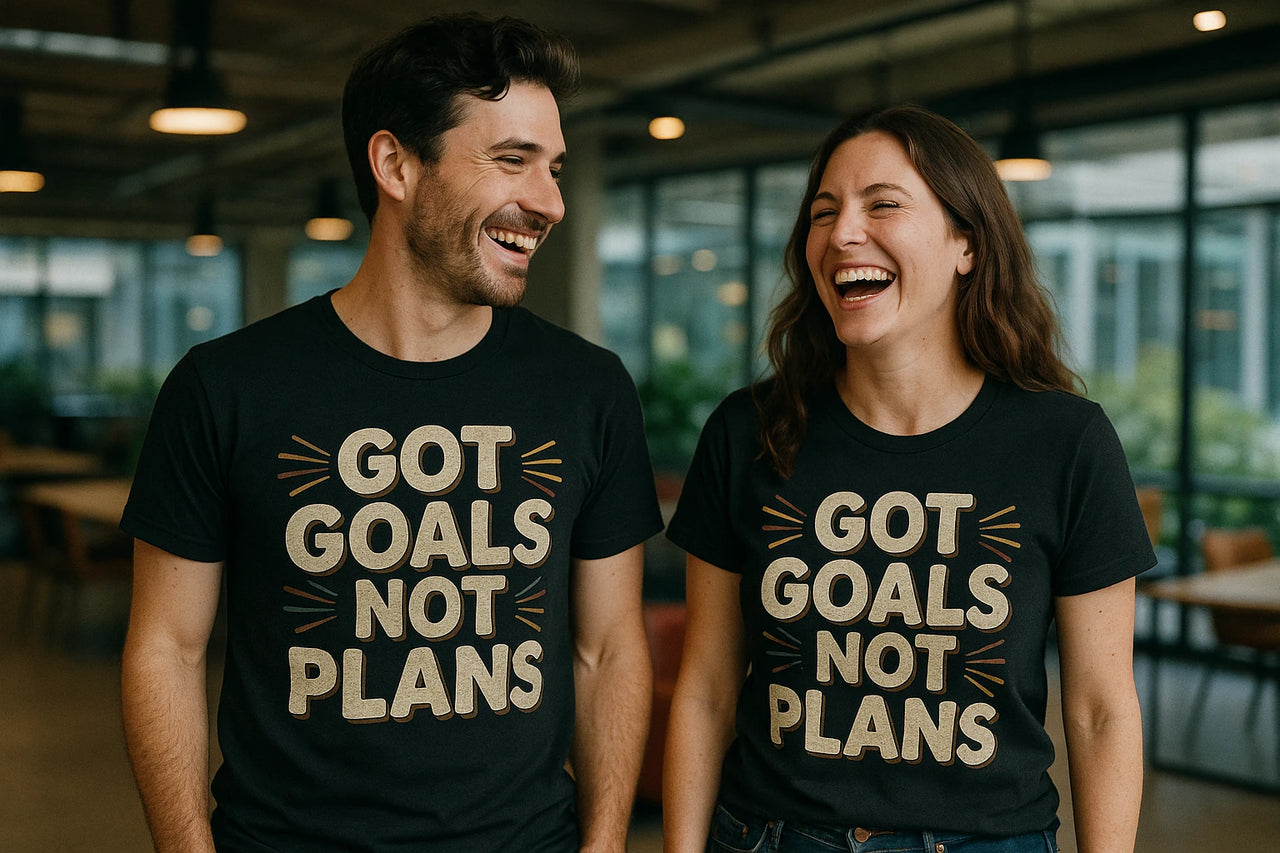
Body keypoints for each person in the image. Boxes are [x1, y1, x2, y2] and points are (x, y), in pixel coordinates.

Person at [120, 14, 662, 853]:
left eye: (553, 168)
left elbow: (609, 648)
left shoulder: (588, 390)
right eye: (512, 159)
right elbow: (166, 646)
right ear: (396, 163)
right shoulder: (226, 387)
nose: (551, 201)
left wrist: (602, 845)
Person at [663, 105, 1154, 853]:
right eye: (823, 212)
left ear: (966, 242)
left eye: (882, 204)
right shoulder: (747, 431)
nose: (841, 233)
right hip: (770, 836)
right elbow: (705, 689)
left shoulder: (1066, 442)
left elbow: (1100, 709)